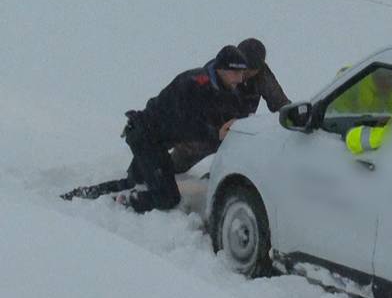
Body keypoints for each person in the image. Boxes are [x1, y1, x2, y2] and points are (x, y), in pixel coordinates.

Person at [60, 46, 254, 213]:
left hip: (160, 140)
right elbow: (186, 124)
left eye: (242, 73)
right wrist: (215, 134)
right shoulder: (194, 83)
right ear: (222, 69)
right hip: (145, 136)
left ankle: (82, 195)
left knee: (135, 180)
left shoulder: (227, 90)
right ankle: (119, 202)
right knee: (167, 198)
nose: (240, 78)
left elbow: (234, 116)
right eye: (236, 73)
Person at [169, 37, 291, 173]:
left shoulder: (262, 75)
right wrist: (215, 131)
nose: (244, 74)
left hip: (240, 131)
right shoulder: (216, 71)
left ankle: (219, 178)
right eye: (242, 68)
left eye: (250, 70)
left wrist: (294, 119)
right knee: (180, 160)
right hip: (208, 128)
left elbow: (280, 103)